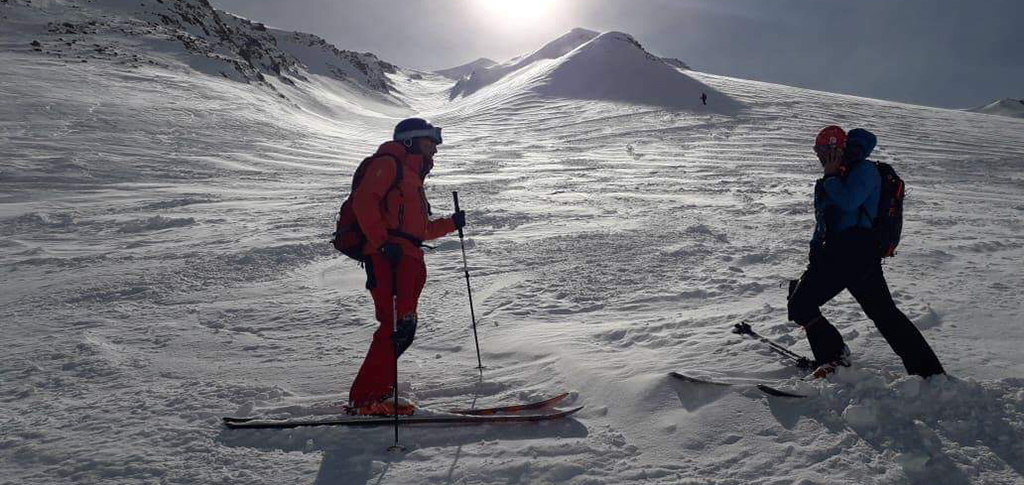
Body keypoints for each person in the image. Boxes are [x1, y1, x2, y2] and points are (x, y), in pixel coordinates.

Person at [787, 126, 945, 379]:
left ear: (839, 149)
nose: (820, 155)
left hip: (855, 253)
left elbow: (849, 201)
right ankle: (928, 373)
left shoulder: (865, 171)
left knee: (805, 304)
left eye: (823, 150)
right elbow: (828, 219)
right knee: (882, 314)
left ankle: (836, 360)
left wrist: (829, 178)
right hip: (843, 253)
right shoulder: (843, 172)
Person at [347, 118, 466, 415]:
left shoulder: (412, 179)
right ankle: (366, 399)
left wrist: (451, 224)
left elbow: (419, 230)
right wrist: (381, 242)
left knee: (404, 328)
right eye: (430, 144)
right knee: (393, 326)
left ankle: (380, 391)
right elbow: (364, 202)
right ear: (410, 141)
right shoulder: (388, 164)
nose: (435, 151)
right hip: (389, 259)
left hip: (409, 260)